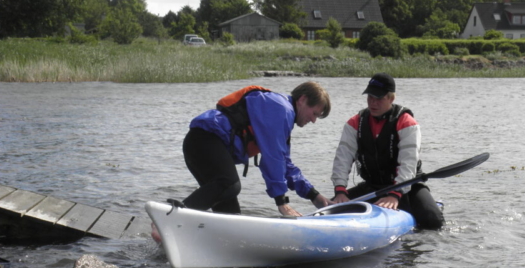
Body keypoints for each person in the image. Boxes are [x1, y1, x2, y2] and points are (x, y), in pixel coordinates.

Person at [175, 81, 333, 217]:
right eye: (314, 113)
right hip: (205, 140)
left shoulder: (281, 114)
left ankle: (201, 237)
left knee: (230, 216)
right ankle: (175, 216)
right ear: (302, 100)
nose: (313, 121)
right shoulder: (282, 110)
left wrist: (313, 195)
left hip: (199, 144)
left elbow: (285, 164)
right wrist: (281, 201)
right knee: (229, 184)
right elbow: (273, 159)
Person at [331, 73, 445, 229]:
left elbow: (408, 163)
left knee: (433, 221)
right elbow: (342, 159)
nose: (373, 102)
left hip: (407, 187)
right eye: (370, 97)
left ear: (391, 98)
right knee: (328, 211)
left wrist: (394, 194)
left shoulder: (406, 123)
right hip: (373, 186)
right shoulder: (354, 123)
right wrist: (340, 191)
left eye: (379, 98)